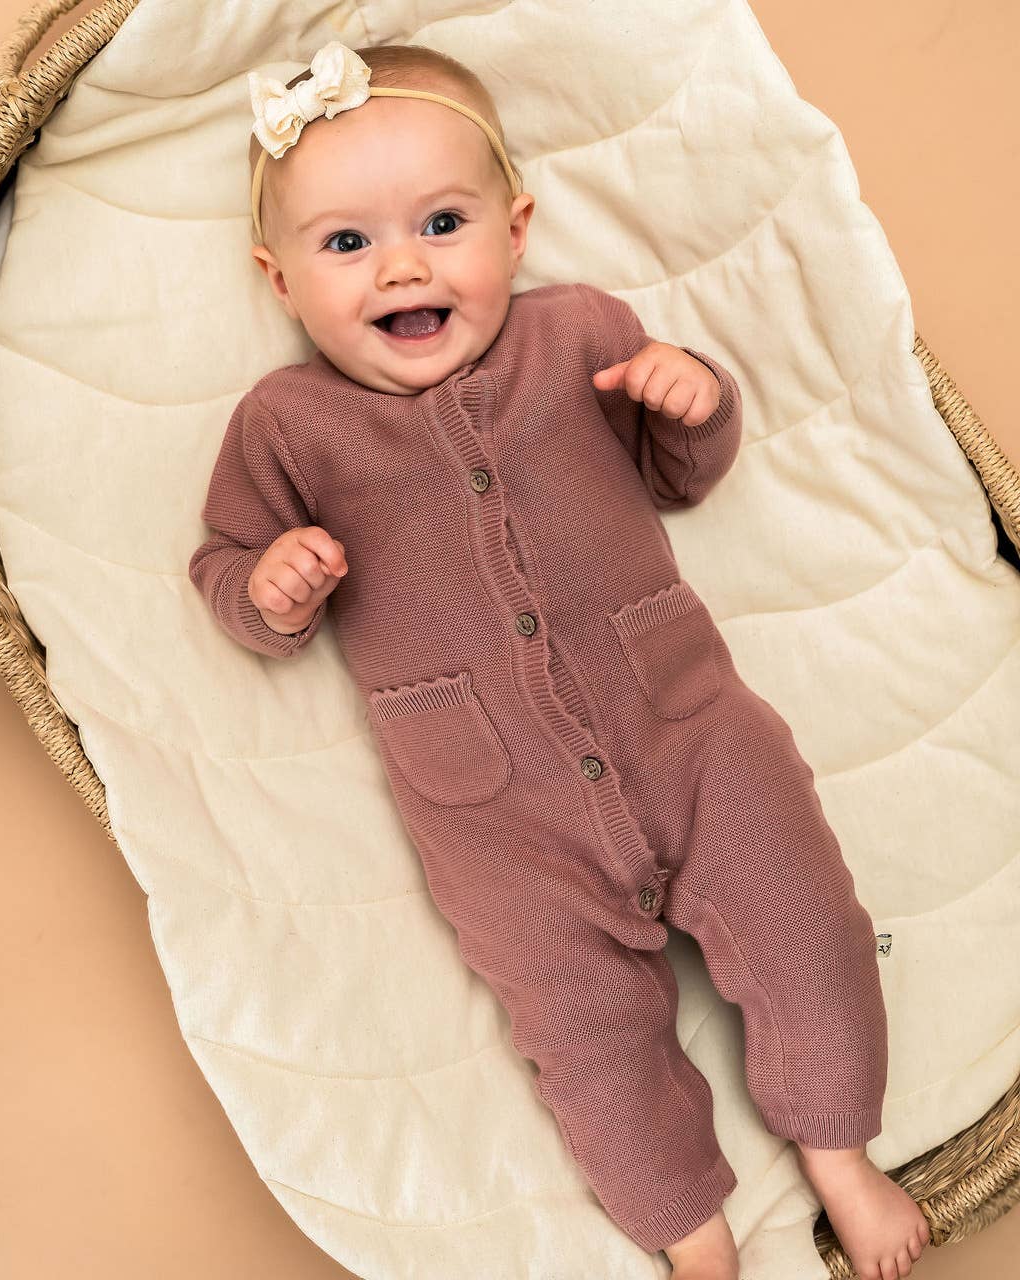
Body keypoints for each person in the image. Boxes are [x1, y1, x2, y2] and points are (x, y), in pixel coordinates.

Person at [188, 38, 930, 1280]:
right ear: (277, 279)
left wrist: (690, 399)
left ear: (515, 226)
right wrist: (269, 585)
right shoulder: (287, 425)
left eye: (440, 222)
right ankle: (690, 1233)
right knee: (582, 1031)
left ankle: (837, 1148)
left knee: (808, 918)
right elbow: (227, 561)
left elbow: (672, 475)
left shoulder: (579, 335)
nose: (405, 266)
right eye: (347, 244)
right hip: (494, 809)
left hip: (686, 723)